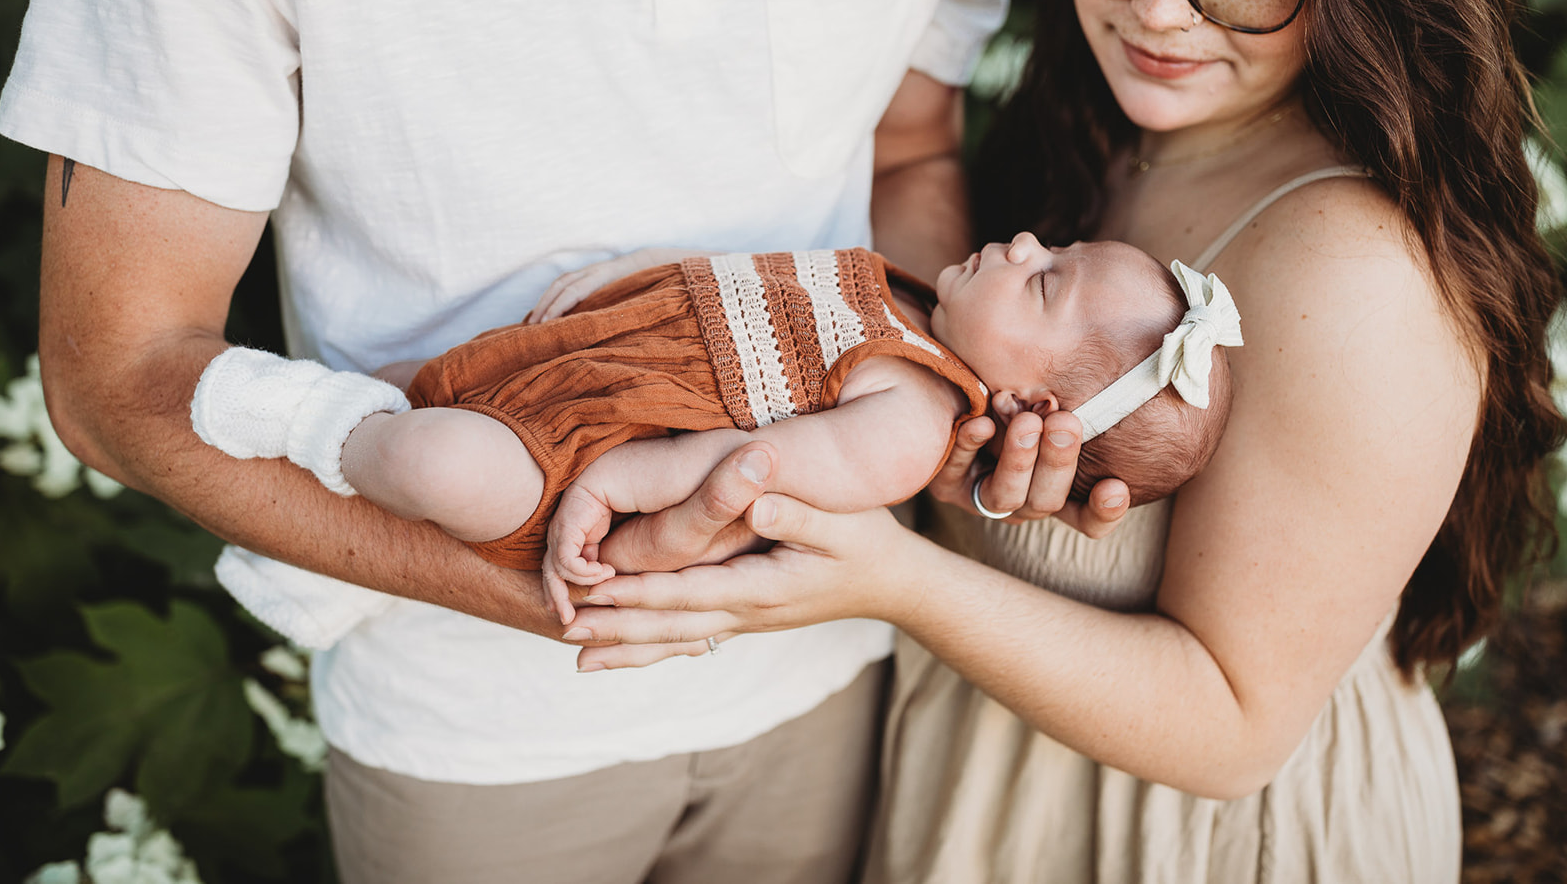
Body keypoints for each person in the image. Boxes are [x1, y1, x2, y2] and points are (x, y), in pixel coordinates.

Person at [0, 0, 1112, 881]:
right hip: (469, 729)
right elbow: (116, 376)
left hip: (828, 671)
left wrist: (942, 407)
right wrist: (572, 584)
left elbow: (908, 154)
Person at [555, 0, 1566, 880]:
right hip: (995, 792)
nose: (1156, 9)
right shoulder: (1114, 138)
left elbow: (1233, 728)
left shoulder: (1353, 274)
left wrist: (889, 577)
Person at [188, 239, 1238, 627]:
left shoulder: (915, 420)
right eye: (1050, 242)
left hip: (585, 461)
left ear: (1038, 412)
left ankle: (313, 424)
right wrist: (630, 276)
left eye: (1043, 277)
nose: (1018, 239)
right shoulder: (899, 296)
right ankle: (327, 562)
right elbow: (745, 284)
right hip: (583, 364)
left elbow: (749, 464)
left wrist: (615, 482)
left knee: (434, 457)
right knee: (426, 382)